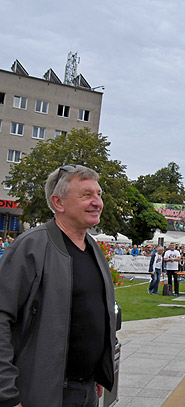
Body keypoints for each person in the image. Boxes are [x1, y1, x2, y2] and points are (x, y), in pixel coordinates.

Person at [0, 164, 117, 407]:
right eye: (86, 195)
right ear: (58, 202)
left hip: (86, 390)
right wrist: (7, 394)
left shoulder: (94, 249)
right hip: (42, 392)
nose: (97, 202)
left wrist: (98, 369)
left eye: (99, 194)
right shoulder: (30, 247)